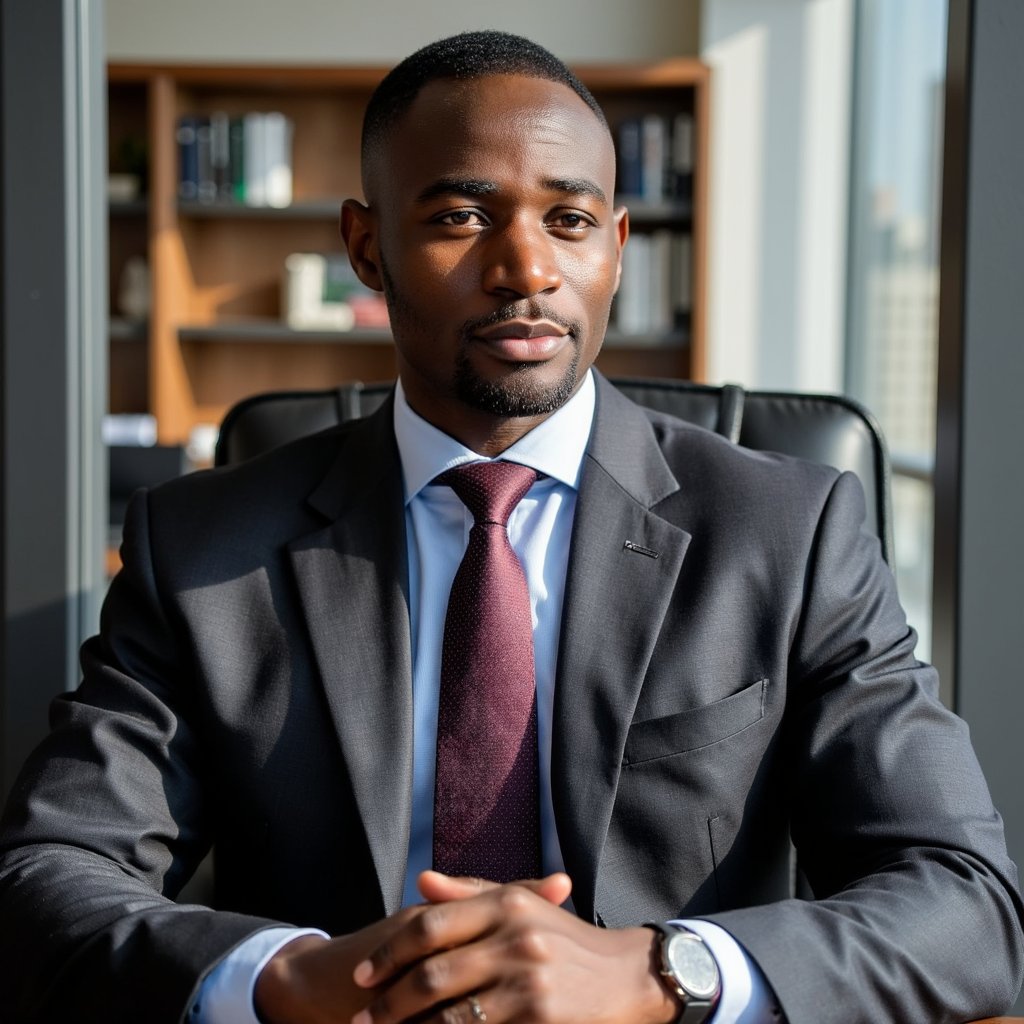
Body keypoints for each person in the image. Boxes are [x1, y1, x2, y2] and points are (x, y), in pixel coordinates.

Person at [0, 29, 1021, 1024]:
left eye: (569, 222)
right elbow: (49, 875)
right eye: (457, 216)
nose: (525, 267)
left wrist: (663, 976)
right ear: (367, 245)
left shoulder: (790, 532)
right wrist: (280, 977)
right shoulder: (203, 545)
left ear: (617, 249)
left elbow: (963, 900)